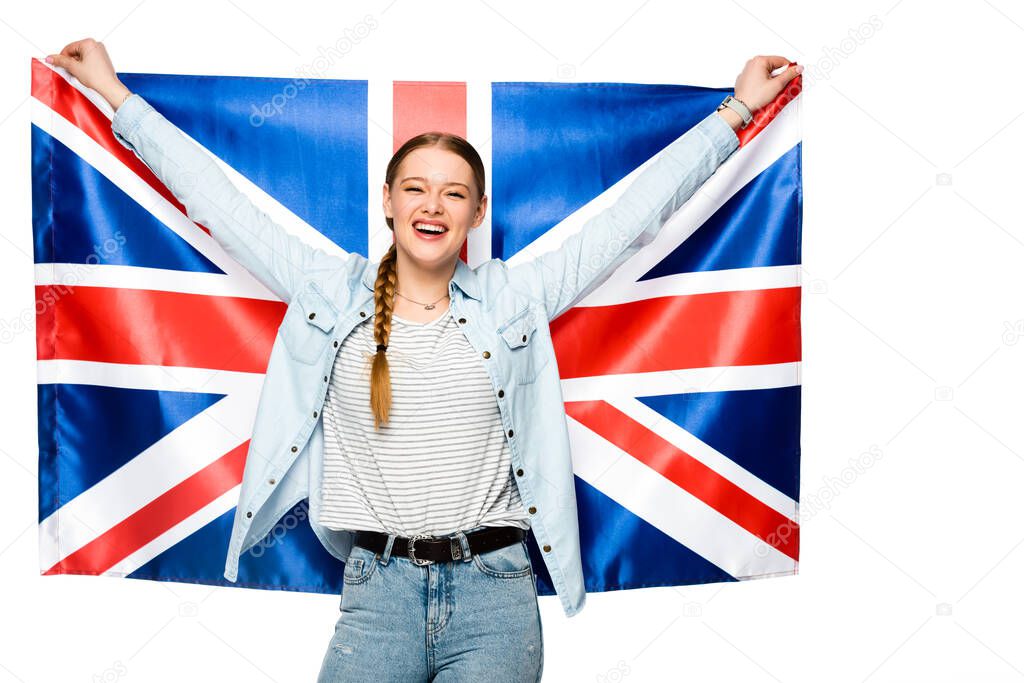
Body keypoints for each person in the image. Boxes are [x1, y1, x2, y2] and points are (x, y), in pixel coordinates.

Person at [47, 38, 801, 682]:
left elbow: (632, 218)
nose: (431, 205)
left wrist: (735, 113)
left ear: (476, 214)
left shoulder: (516, 297)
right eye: (415, 187)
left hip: (497, 593)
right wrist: (112, 93)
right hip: (377, 591)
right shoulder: (328, 291)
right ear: (387, 201)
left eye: (453, 192)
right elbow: (215, 198)